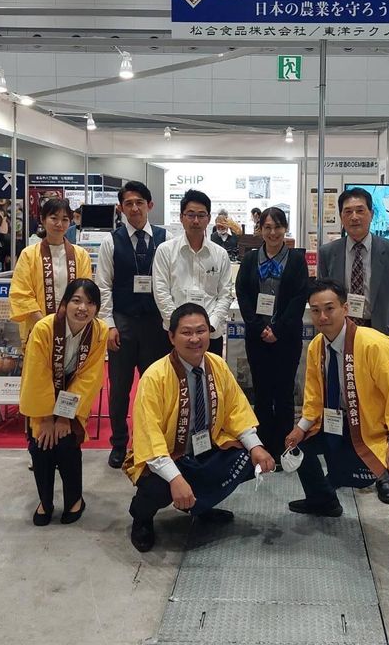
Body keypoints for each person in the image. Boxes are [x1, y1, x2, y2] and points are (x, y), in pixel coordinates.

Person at [285, 279, 389, 604]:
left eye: (329, 308)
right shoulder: (316, 346)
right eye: (316, 311)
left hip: (377, 434)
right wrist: (302, 427)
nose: (323, 317)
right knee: (297, 448)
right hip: (336, 427)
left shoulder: (374, 344)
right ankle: (323, 500)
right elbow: (313, 396)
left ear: (346, 308)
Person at [126, 303, 275, 552]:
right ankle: (141, 518)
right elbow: (149, 437)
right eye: (186, 332)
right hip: (169, 455)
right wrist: (175, 479)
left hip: (205, 448)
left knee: (247, 459)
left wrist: (256, 447)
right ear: (171, 337)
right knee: (158, 487)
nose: (195, 339)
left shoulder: (217, 364)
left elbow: (236, 411)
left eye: (201, 331)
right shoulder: (155, 376)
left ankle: (201, 506)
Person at [318, 186, 389, 505]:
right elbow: (325, 296)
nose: (354, 216)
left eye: (360, 210)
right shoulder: (329, 252)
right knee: (343, 398)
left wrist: (385, 327)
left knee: (380, 403)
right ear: (341, 217)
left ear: (371, 214)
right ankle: (346, 467)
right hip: (342, 334)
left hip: (378, 333)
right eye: (348, 211)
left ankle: (384, 472)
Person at [19, 278, 109, 526]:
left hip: (72, 396)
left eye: (90, 303)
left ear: (97, 308)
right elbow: (37, 375)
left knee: (68, 442)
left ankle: (74, 500)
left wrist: (65, 416)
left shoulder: (99, 331)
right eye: (76, 301)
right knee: (41, 442)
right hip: (42, 395)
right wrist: (48, 418)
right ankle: (45, 502)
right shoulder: (44, 329)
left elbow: (89, 377)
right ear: (64, 303)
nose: (83, 308)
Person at [95, 180, 172, 469]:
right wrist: (109, 324)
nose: (135, 208)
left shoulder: (165, 239)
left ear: (150, 205)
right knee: (119, 388)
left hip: (157, 324)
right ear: (121, 208)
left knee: (157, 388)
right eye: (129, 203)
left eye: (140, 202)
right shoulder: (110, 241)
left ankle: (152, 443)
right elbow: (103, 285)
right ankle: (119, 443)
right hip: (123, 323)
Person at [235, 206, 309, 464]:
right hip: (257, 339)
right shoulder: (250, 259)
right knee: (262, 393)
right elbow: (242, 294)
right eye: (267, 227)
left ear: (285, 228)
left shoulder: (296, 260)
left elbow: (299, 297)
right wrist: (259, 327)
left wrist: (277, 330)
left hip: (286, 339)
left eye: (277, 227)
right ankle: (264, 446)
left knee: (285, 393)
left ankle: (285, 448)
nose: (273, 232)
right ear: (260, 230)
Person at [153, 189, 233, 357]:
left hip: (211, 334)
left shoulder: (220, 254)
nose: (196, 220)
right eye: (190, 215)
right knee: (172, 374)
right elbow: (161, 292)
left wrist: (210, 325)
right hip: (174, 336)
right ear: (181, 217)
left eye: (201, 215)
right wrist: (179, 327)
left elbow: (225, 294)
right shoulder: (165, 251)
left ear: (208, 219)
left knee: (209, 374)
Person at [10, 198, 93, 346]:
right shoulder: (29, 254)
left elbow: (86, 293)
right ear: (43, 220)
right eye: (54, 218)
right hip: (38, 328)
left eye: (65, 219)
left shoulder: (81, 255)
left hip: (73, 328)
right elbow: (21, 294)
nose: (59, 224)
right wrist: (45, 326)